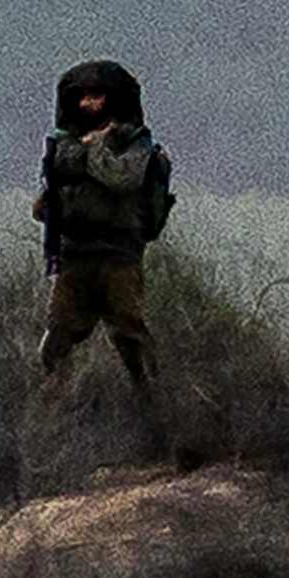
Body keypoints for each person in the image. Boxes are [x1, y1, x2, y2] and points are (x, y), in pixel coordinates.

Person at [34, 59, 173, 396]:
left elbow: (122, 178)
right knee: (58, 337)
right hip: (75, 254)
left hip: (119, 254)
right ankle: (54, 408)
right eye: (82, 96)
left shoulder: (137, 143)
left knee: (130, 334)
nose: (87, 104)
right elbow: (56, 174)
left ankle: (154, 403)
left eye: (96, 96)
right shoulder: (65, 141)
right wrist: (89, 152)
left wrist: (94, 149)